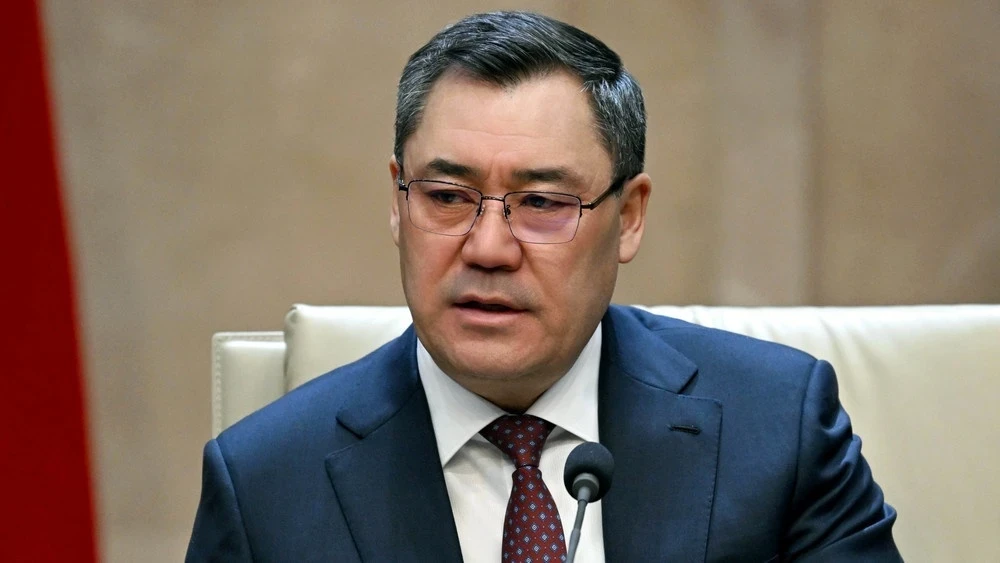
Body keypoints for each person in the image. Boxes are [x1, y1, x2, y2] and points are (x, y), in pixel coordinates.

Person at [187, 11, 901, 562]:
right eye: (446, 196)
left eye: (542, 203)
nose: (488, 248)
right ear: (398, 202)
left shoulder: (776, 429)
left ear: (629, 217)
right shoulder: (264, 485)